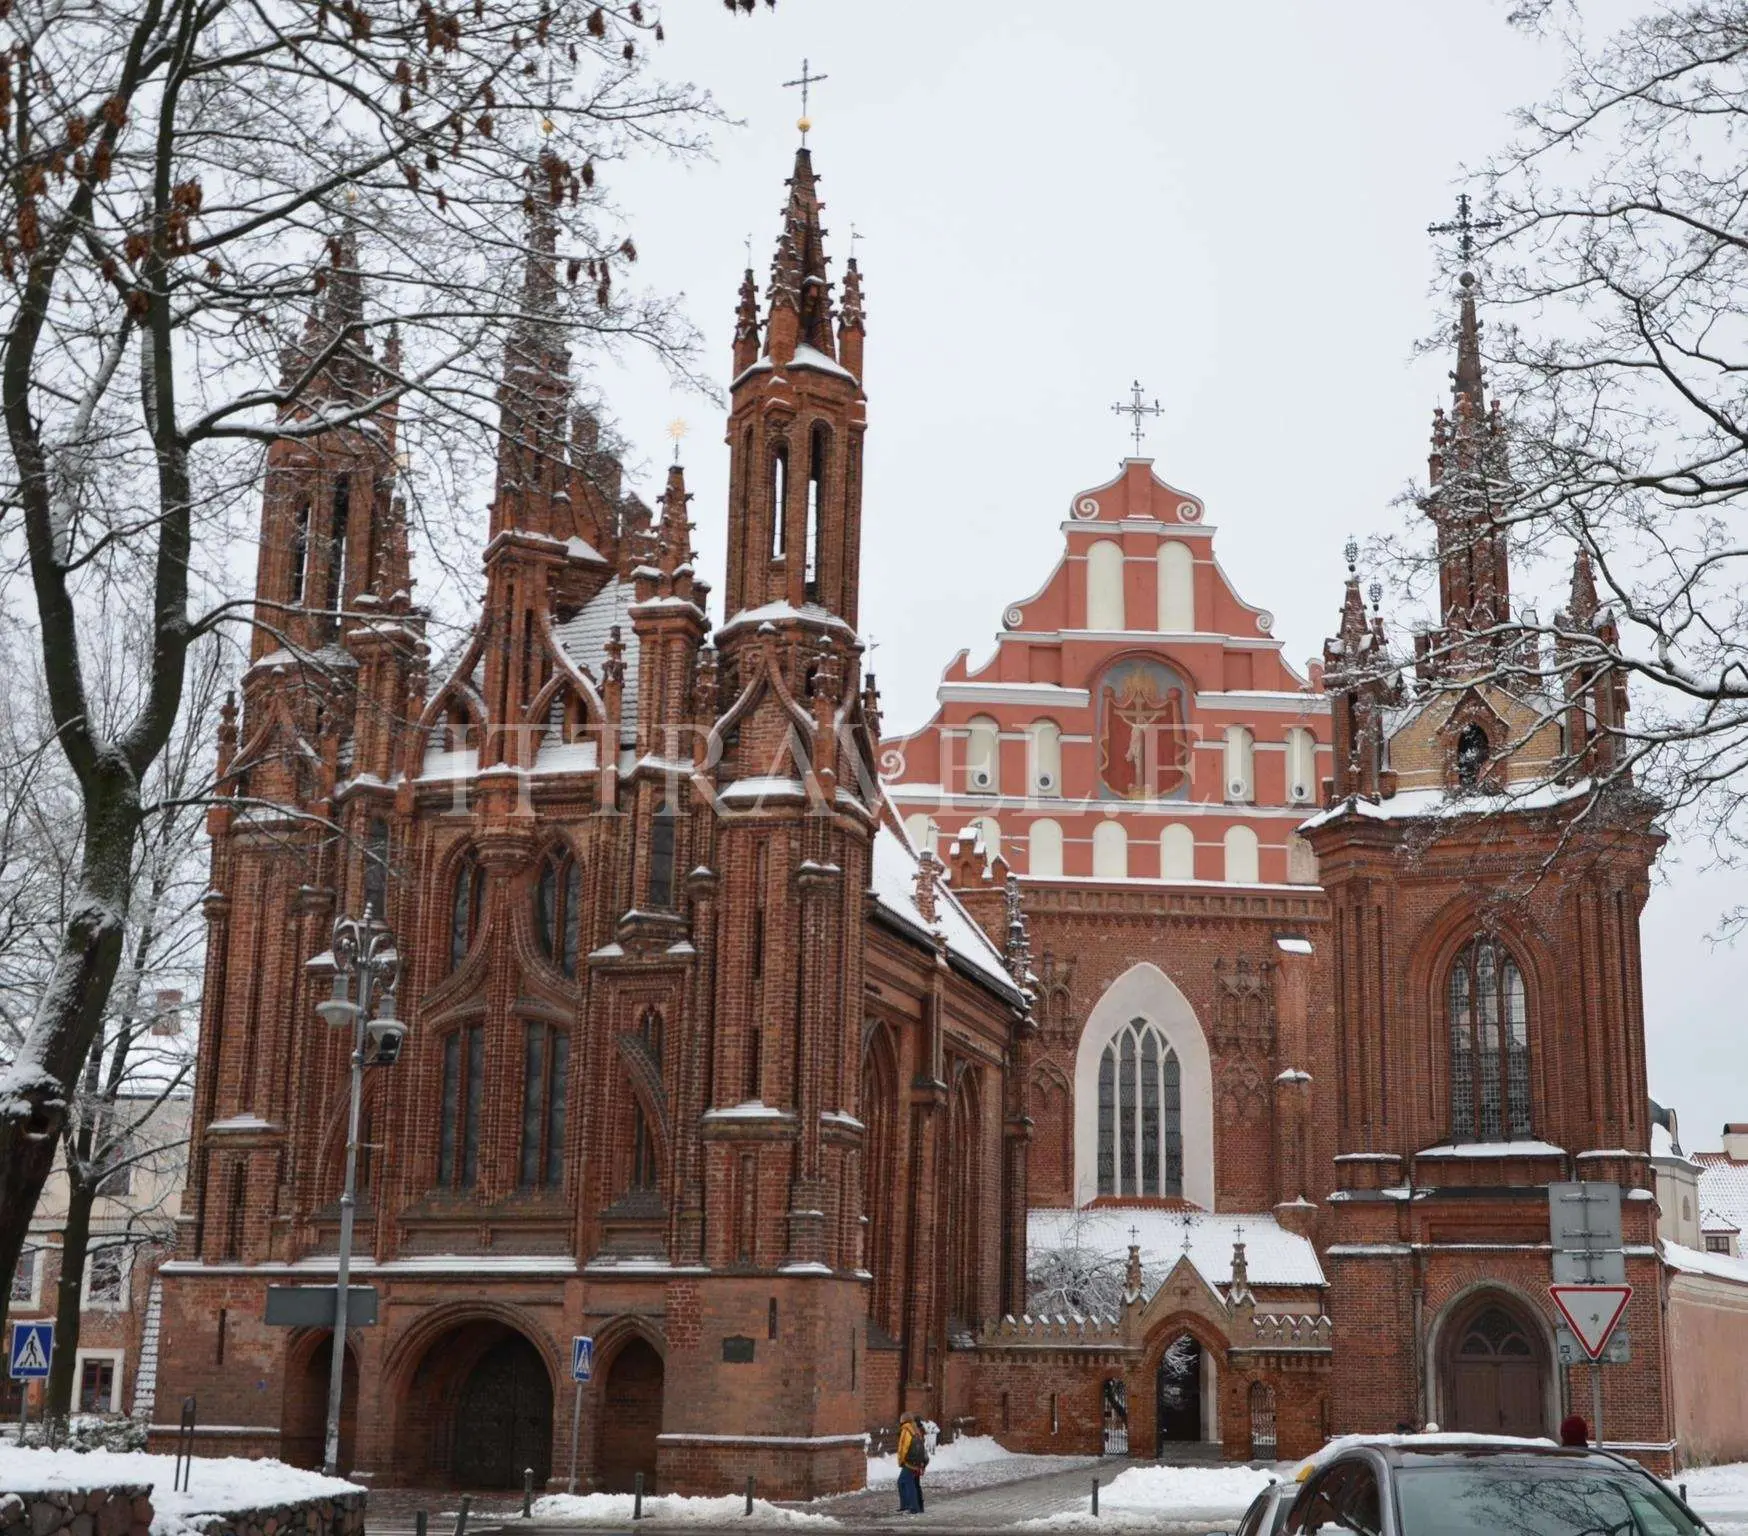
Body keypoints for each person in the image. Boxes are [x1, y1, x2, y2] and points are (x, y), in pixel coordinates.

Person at [895, 1413, 928, 1514]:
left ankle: (912, 1507)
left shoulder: (906, 1429)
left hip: (909, 1461)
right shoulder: (915, 1429)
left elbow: (903, 1447)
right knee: (912, 1483)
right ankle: (914, 1506)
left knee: (905, 1482)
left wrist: (901, 1460)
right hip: (917, 1461)